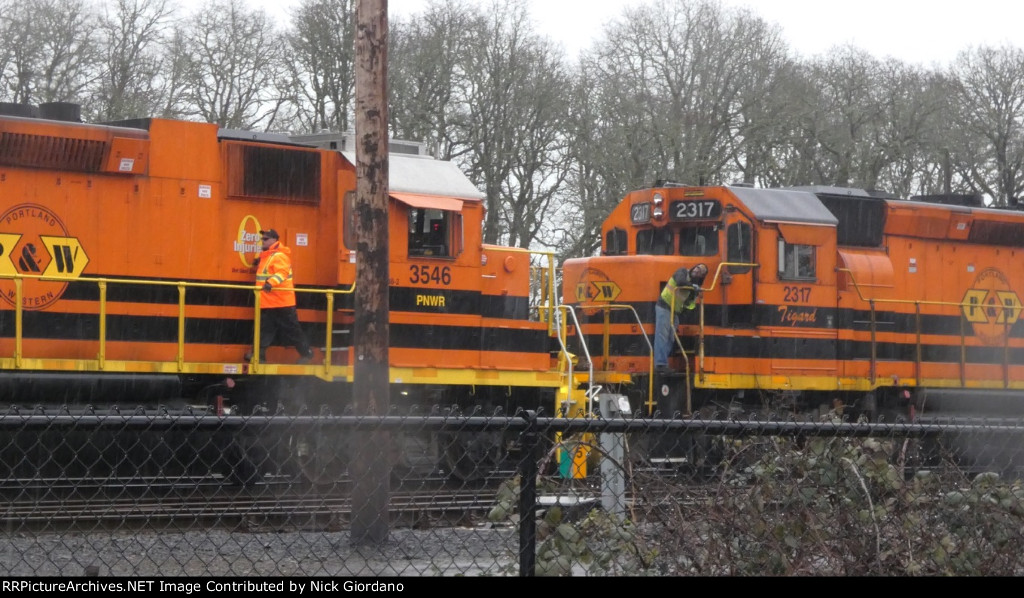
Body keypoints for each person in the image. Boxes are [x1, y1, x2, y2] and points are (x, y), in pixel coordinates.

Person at [244, 229, 314, 364]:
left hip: (282, 302)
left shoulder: (279, 256)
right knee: (265, 329)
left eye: (265, 239)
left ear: (274, 240)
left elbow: (282, 273)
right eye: (262, 239)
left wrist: (270, 283)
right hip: (270, 301)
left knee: (291, 330)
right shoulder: (268, 256)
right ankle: (258, 355)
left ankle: (306, 353)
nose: (262, 241)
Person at [653, 263, 708, 372]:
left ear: (701, 276)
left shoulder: (692, 287)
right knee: (662, 336)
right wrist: (693, 288)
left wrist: (695, 295)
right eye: (698, 267)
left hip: (674, 312)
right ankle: (660, 364)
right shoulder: (682, 272)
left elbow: (689, 305)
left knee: (671, 338)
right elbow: (680, 281)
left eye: (701, 271)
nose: (697, 270)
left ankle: (662, 363)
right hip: (664, 306)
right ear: (694, 267)